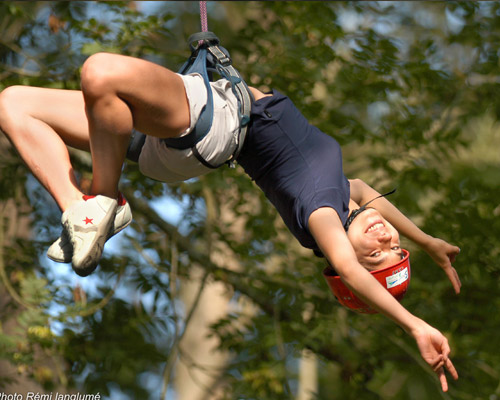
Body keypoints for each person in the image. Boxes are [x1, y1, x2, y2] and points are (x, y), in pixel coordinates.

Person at [0, 51, 460, 391]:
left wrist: (414, 324)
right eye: (392, 246)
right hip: (178, 142)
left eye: (374, 255)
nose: (383, 238)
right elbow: (366, 191)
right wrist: (426, 241)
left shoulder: (321, 214)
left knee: (100, 71)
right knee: (14, 103)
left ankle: (103, 196)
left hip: (211, 121)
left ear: (345, 258)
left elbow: (353, 271)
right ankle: (83, 208)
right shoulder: (342, 197)